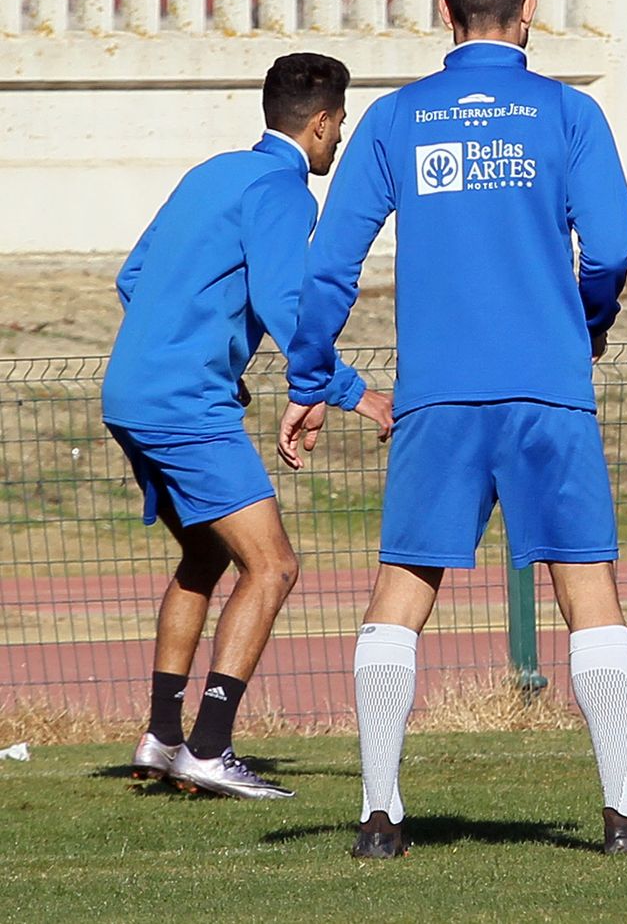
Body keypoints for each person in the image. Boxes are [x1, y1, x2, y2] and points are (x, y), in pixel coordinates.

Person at [280, 0, 627, 859]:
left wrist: (310, 379)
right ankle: (626, 813)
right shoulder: (569, 112)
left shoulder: (396, 119)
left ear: (445, 14)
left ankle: (380, 818)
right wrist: (589, 318)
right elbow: (613, 244)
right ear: (528, 12)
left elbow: (330, 266)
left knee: (401, 589)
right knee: (586, 586)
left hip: (437, 395)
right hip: (547, 387)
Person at [104, 53, 391, 799]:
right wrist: (354, 392)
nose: (340, 138)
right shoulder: (283, 190)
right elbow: (285, 304)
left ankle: (161, 736)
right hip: (183, 404)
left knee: (205, 555)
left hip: (130, 393)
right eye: (340, 123)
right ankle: (209, 746)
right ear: (322, 122)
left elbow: (132, 277)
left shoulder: (212, 173)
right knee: (273, 567)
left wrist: (194, 352)